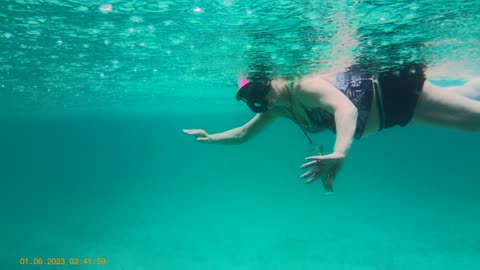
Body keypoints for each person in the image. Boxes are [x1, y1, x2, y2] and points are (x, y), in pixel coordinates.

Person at [183, 64, 480, 192]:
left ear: (271, 77)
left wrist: (340, 152)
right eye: (252, 97)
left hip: (394, 94)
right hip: (391, 115)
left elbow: (345, 108)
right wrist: (210, 139)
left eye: (261, 88)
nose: (263, 99)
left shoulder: (300, 85)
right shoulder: (280, 108)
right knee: (464, 100)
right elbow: (244, 133)